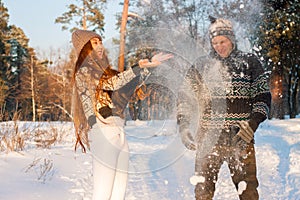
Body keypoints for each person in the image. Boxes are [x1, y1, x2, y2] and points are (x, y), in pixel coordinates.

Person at [71, 29, 172, 200]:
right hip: (103, 133)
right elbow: (113, 83)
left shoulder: (107, 72)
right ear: (85, 48)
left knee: (119, 193)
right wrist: (138, 66)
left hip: (119, 133)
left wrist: (148, 69)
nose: (100, 46)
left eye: (100, 42)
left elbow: (128, 86)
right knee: (102, 194)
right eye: (94, 43)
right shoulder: (84, 72)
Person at [177, 17, 271, 199]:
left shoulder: (249, 62)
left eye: (223, 41)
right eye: (214, 43)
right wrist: (183, 124)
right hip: (208, 139)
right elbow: (185, 96)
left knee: (248, 192)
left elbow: (263, 95)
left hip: (241, 138)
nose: (219, 46)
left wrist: (252, 123)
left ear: (232, 40)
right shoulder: (201, 65)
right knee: (203, 192)